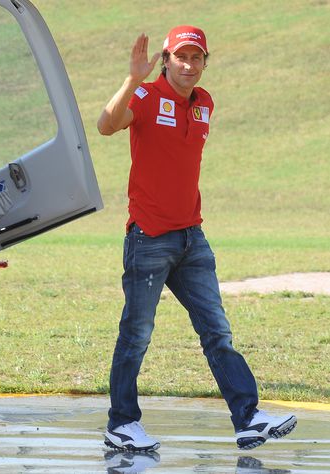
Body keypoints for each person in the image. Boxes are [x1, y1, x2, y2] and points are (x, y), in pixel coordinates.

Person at [96, 25, 297, 452]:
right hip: (149, 238)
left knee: (217, 332)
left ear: (206, 62)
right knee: (137, 334)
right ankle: (121, 423)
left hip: (192, 239)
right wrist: (133, 77)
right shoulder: (147, 97)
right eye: (181, 57)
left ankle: (247, 419)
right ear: (166, 59)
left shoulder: (204, 103)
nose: (189, 65)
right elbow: (105, 126)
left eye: (197, 58)